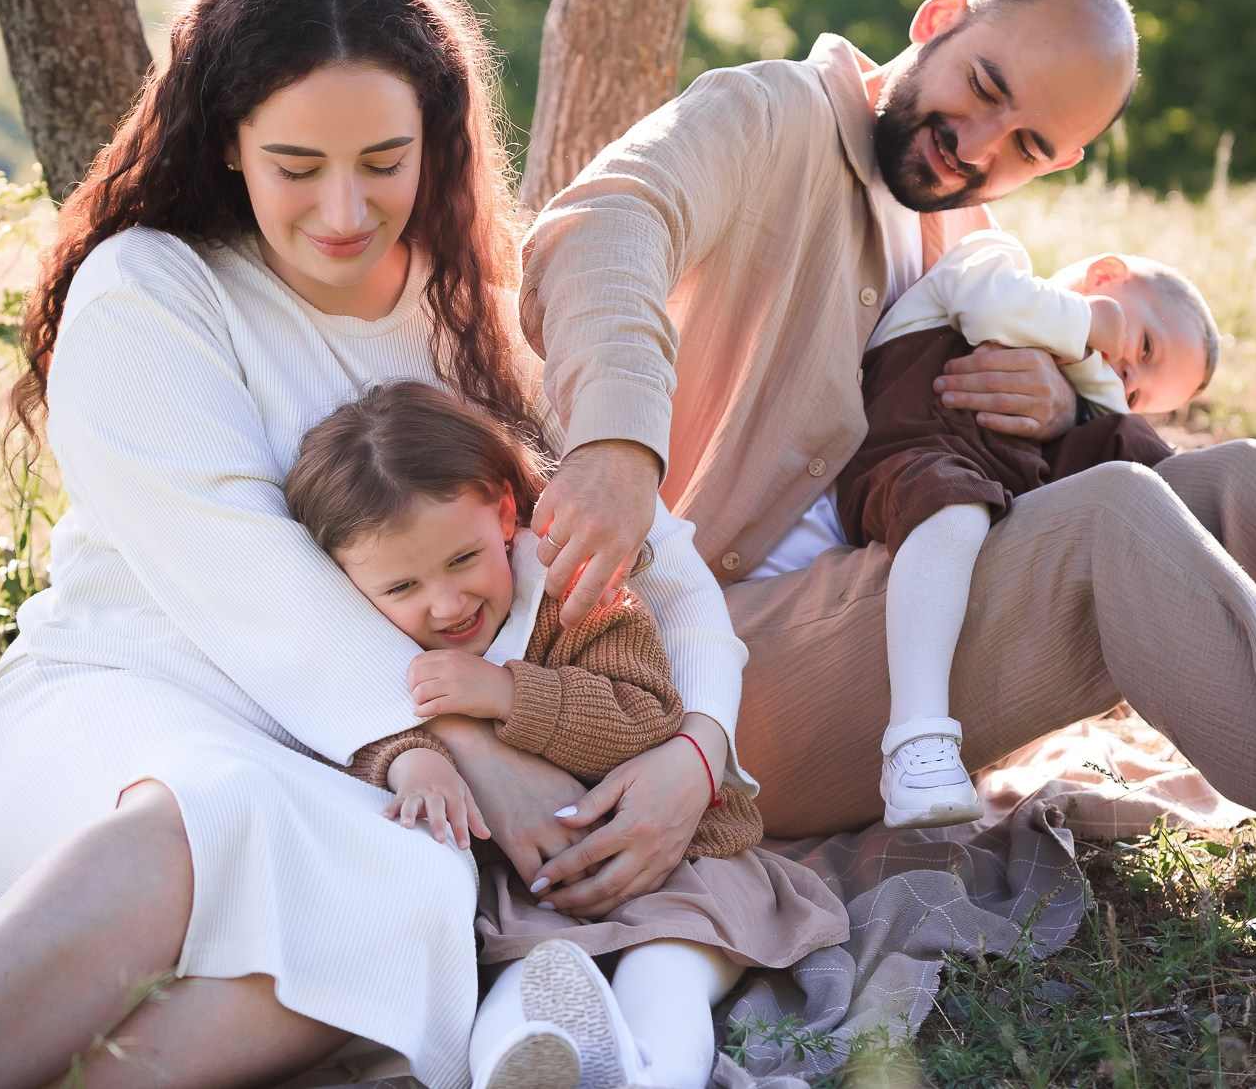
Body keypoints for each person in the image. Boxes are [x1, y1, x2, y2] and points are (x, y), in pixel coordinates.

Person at [518, 0, 1256, 995]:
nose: (976, 144)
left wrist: (1052, 408)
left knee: (1239, 481)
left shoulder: (953, 245)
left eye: (1025, 146)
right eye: (982, 87)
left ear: (1059, 163)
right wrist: (620, 443)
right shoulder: (772, 112)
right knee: (1114, 517)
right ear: (938, 17)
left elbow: (926, 473)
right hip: (686, 674)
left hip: (851, 633)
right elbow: (604, 220)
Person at [0, 0, 752, 1089]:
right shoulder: (149, 288)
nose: (343, 208)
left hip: (355, 776)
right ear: (227, 142)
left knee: (422, 897)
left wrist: (697, 749)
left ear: (437, 141)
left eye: (384, 160)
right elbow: (240, 576)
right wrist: (468, 752)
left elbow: (654, 562)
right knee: (216, 808)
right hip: (128, 705)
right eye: (295, 164)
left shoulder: (476, 321)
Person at [282, 381, 848, 1089]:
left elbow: (646, 716)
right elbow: (358, 730)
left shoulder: (577, 592)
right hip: (537, 895)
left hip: (680, 868)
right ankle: (521, 1068)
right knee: (527, 982)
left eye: (463, 559)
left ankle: (653, 1077)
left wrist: (508, 692)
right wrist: (410, 766)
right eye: (402, 587)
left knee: (665, 974)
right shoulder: (377, 646)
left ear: (506, 511)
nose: (446, 604)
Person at [834, 229, 1217, 826]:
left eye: (1139, 389)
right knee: (951, 503)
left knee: (1133, 449)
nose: (1124, 372)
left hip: (1006, 490)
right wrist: (1094, 322)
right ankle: (916, 738)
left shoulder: (1088, 389)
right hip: (913, 456)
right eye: (1143, 345)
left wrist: (1092, 402)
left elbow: (1111, 424)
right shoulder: (998, 261)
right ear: (1104, 278)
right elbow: (990, 305)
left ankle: (1222, 566)